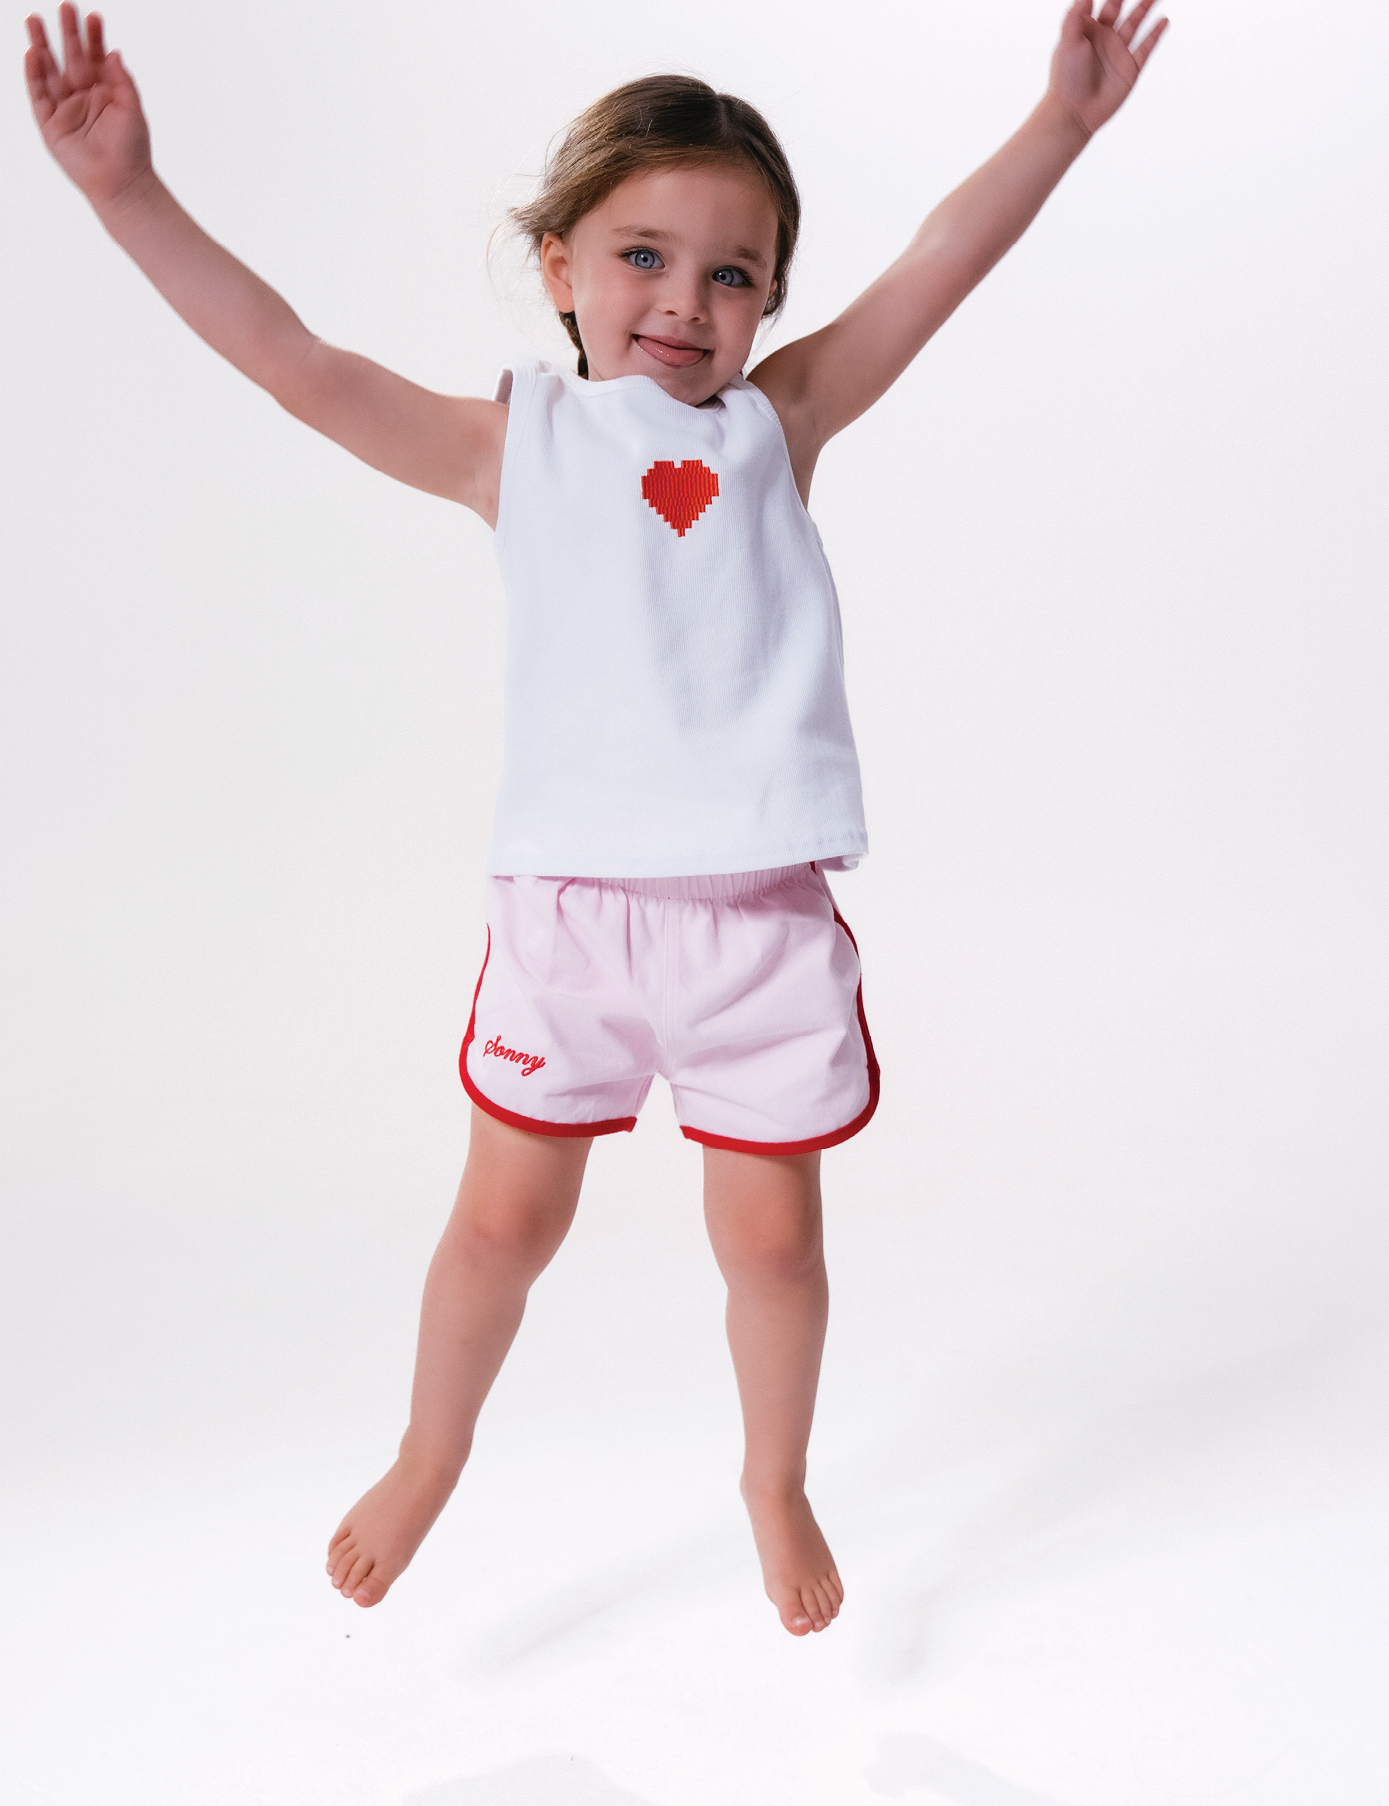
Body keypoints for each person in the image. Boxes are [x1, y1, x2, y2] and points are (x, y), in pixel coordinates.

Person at [24, 0, 1167, 1637]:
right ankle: (430, 1450)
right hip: (569, 923)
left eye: (733, 273)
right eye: (643, 256)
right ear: (559, 265)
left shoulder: (777, 425)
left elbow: (935, 265)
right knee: (503, 1223)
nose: (687, 302)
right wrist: (128, 193)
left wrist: (1060, 124)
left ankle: (773, 1477)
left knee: (773, 1251)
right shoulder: (520, 444)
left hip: (755, 926)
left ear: (770, 300)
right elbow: (296, 363)